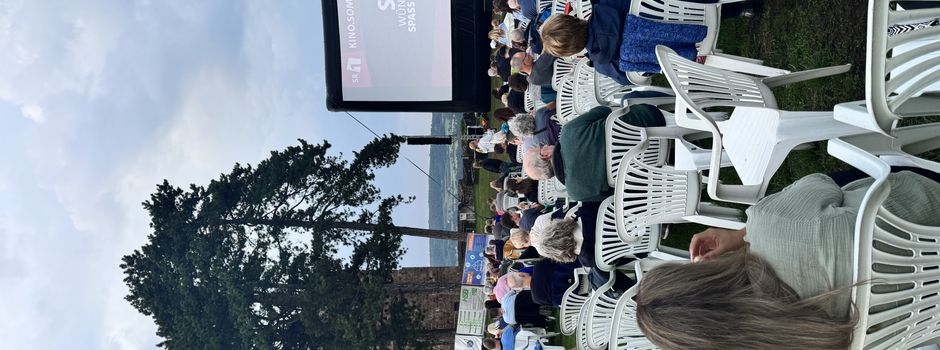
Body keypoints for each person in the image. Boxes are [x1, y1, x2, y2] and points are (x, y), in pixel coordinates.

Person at [634, 171, 940, 349]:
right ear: (697, 275)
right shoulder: (770, 222)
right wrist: (744, 233)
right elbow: (821, 182)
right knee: (839, 186)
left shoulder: (786, 341)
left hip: (926, 316)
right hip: (929, 212)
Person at [524, 105, 665, 202]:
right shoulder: (568, 132)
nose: (546, 144)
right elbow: (604, 111)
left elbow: (613, 194)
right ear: (545, 155)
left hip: (653, 173)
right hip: (650, 123)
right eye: (542, 146)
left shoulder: (576, 193)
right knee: (629, 99)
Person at [539, 2, 707, 83]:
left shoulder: (606, 65)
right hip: (700, 9)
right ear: (569, 17)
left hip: (688, 56)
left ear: (571, 51)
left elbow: (640, 77)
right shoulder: (607, 4)